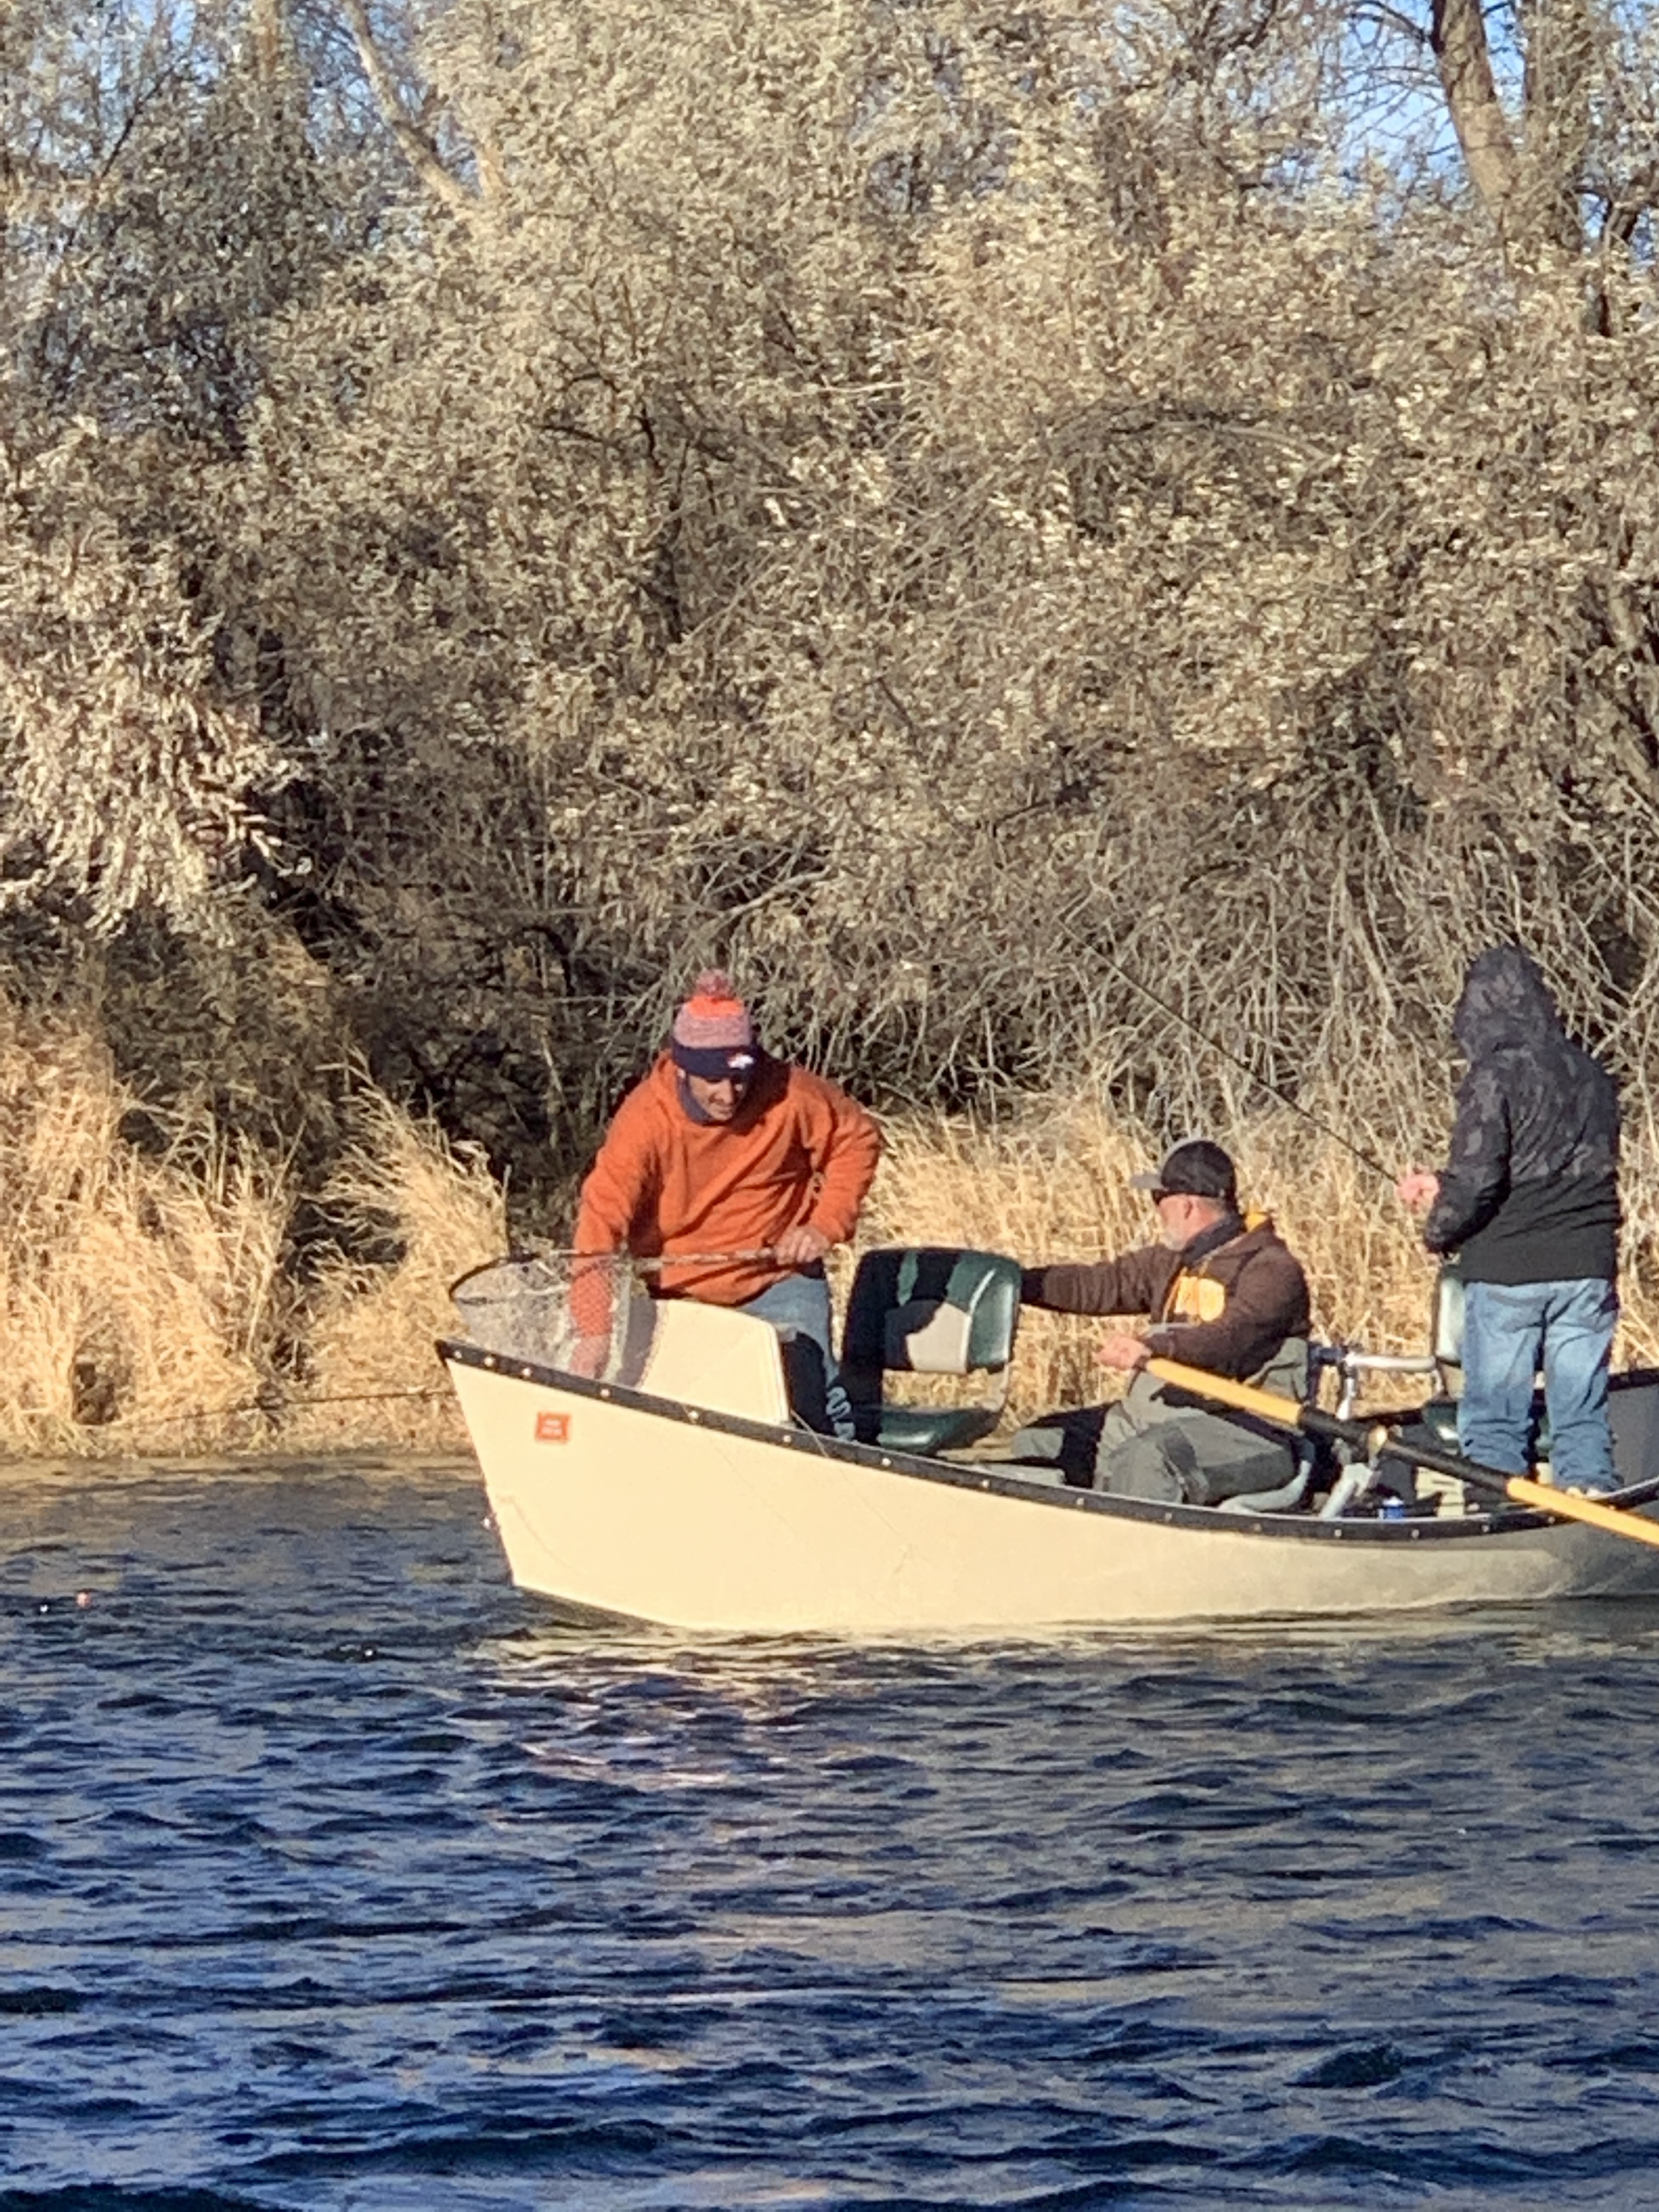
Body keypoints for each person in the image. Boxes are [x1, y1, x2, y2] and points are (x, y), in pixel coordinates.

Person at [569, 970, 882, 1435]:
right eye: (712, 1081)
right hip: (682, 1292)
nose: (728, 1094)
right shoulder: (645, 1121)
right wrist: (594, 1330)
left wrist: (823, 1226)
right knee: (679, 1421)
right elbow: (600, 1222)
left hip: (780, 1280)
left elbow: (857, 1140)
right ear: (682, 1070)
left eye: (740, 1078)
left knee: (813, 1408)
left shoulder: (790, 1093)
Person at [1396, 945, 1621, 1495]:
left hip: (1511, 1270)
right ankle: (1588, 1498)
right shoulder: (1591, 1073)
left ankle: (1494, 1507)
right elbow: (1557, 1167)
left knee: (1496, 1415)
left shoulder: (1493, 1076)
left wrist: (1437, 1229)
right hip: (1587, 1268)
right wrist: (1441, 1185)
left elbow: (1480, 1179)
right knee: (1581, 1413)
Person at [1006, 1138, 1311, 1504]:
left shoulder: (1273, 1269)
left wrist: (1152, 1349)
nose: (1155, 1210)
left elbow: (1230, 1337)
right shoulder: (1170, 1261)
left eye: (1158, 1199)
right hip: (1164, 1417)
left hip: (1254, 1430)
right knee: (1041, 1442)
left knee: (1150, 1459)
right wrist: (1009, 1284)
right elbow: (1097, 1285)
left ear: (1186, 1205)